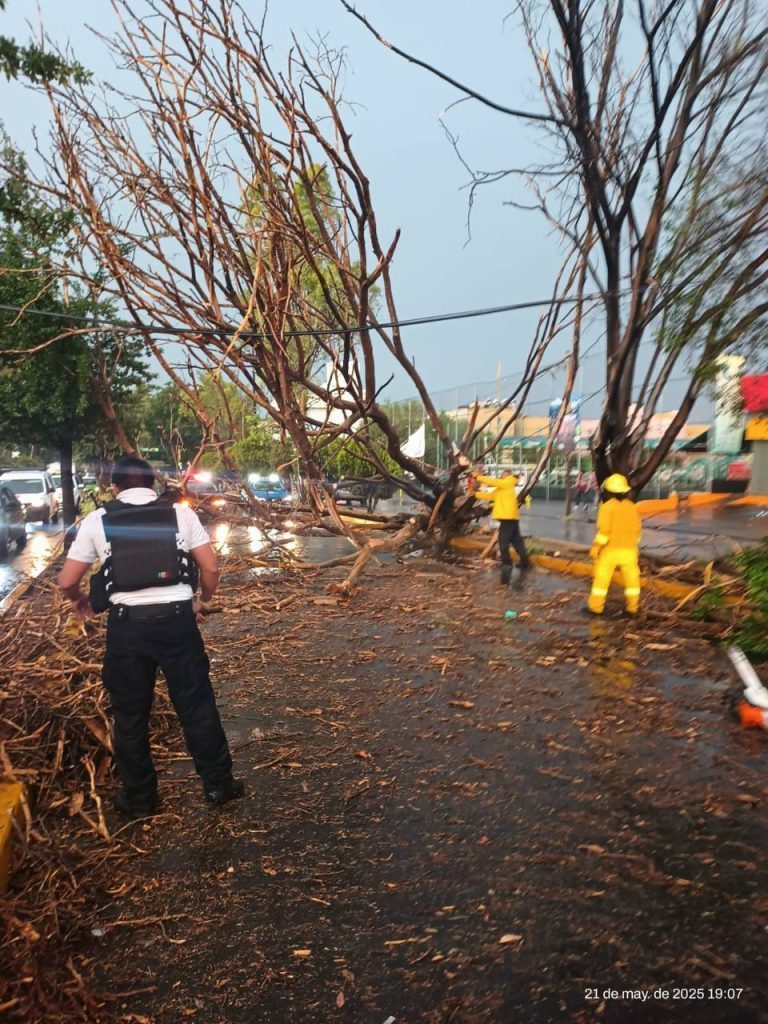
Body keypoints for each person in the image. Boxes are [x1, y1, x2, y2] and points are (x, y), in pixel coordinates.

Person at [57, 456, 243, 817]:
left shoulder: (98, 519)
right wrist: (201, 601)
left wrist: (81, 601)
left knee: (130, 715)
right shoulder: (181, 514)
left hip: (128, 629)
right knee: (196, 705)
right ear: (153, 485)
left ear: (114, 488)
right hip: (178, 624)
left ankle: (140, 798)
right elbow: (210, 567)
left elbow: (66, 581)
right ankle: (219, 785)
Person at [587, 473, 642, 616]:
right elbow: (637, 530)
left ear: (608, 491)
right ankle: (633, 608)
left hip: (610, 550)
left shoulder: (607, 507)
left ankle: (596, 607)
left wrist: (596, 547)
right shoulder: (632, 507)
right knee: (632, 579)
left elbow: (604, 532)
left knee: (602, 579)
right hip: (630, 551)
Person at [473, 468, 532, 585]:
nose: (502, 475)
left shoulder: (509, 482)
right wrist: (475, 494)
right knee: (517, 541)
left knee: (503, 540)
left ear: (509, 475)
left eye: (504, 474)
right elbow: (491, 496)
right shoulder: (502, 487)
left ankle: (507, 563)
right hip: (510, 517)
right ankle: (525, 562)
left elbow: (494, 482)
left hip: (508, 517)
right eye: (502, 474)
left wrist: (478, 477)